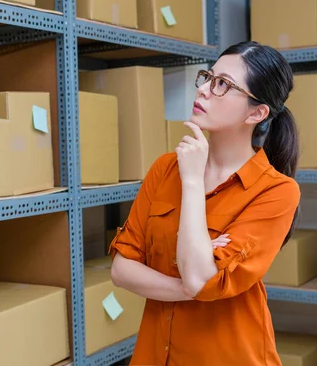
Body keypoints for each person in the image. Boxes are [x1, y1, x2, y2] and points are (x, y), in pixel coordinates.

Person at [109, 41, 301, 366]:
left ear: (257, 113)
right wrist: (190, 286)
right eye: (208, 77)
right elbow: (122, 270)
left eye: (223, 84)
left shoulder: (277, 192)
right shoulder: (165, 169)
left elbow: (199, 278)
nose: (203, 91)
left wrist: (194, 181)